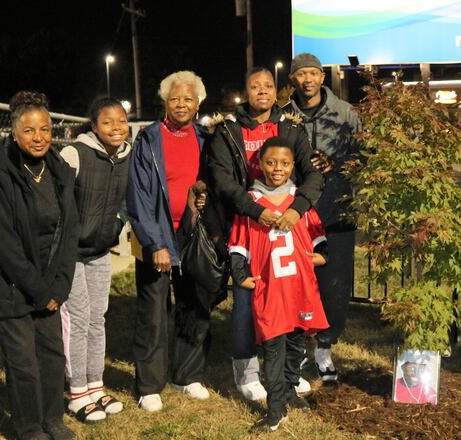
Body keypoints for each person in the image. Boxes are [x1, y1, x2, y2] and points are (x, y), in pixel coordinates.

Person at [0, 91, 79, 440]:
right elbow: (4, 243)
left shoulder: (59, 170)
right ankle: (29, 429)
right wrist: (41, 291)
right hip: (9, 285)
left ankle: (52, 419)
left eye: (44, 129)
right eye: (29, 131)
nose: (39, 137)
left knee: (52, 355)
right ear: (14, 134)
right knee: (23, 363)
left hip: (47, 285)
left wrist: (59, 286)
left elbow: (69, 231)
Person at [202, 67, 324, 401]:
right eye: (255, 86)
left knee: (290, 296)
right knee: (248, 297)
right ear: (246, 91)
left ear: (276, 91)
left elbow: (311, 175)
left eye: (268, 86)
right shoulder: (228, 130)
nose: (262, 91)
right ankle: (246, 371)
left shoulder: (290, 127)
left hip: (285, 223)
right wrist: (257, 211)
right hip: (249, 222)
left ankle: (290, 370)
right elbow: (222, 180)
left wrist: (295, 209)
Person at [227, 137, 329, 432]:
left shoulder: (300, 201)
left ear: (293, 165)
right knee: (273, 348)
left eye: (284, 163)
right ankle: (275, 410)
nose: (277, 168)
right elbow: (238, 246)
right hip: (271, 291)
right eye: (271, 162)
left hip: (299, 289)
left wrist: (320, 257)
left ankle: (289, 391)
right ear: (259, 164)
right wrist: (239, 273)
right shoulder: (252, 203)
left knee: (296, 344)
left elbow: (319, 239)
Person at [126, 71, 212, 412]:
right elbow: (139, 197)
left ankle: (187, 375)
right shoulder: (148, 139)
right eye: (175, 98)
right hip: (159, 236)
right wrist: (155, 243)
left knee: (194, 306)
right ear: (164, 101)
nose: (181, 104)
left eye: (188, 99)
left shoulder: (206, 138)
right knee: (154, 313)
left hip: (193, 235)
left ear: (198, 103)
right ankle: (149, 384)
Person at [286, 52, 362, 383]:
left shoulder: (346, 113)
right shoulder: (283, 115)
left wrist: (338, 165)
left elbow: (364, 156)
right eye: (300, 74)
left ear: (322, 77)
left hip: (337, 213)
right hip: (295, 215)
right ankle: (297, 349)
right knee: (297, 285)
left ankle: (325, 348)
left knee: (334, 286)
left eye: (312, 73)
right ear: (293, 79)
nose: (307, 79)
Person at [58, 98, 131, 422]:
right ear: (93, 126)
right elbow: (54, 201)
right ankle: (76, 392)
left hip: (100, 251)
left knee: (97, 317)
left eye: (121, 121)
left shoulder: (127, 155)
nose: (116, 128)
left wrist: (116, 225)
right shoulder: (75, 153)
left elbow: (129, 200)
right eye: (107, 122)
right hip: (71, 254)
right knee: (78, 317)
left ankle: (95, 385)